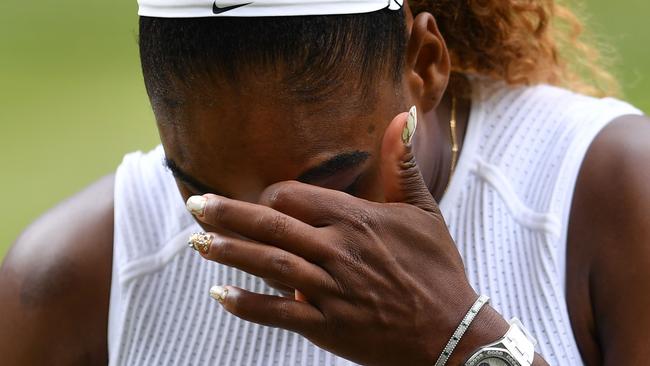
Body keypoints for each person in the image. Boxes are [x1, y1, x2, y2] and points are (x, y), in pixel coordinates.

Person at [1, 0, 649, 365]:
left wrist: (461, 339)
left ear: (423, 64)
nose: (277, 243)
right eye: (207, 198)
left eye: (331, 179)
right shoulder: (74, 283)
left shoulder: (609, 197)